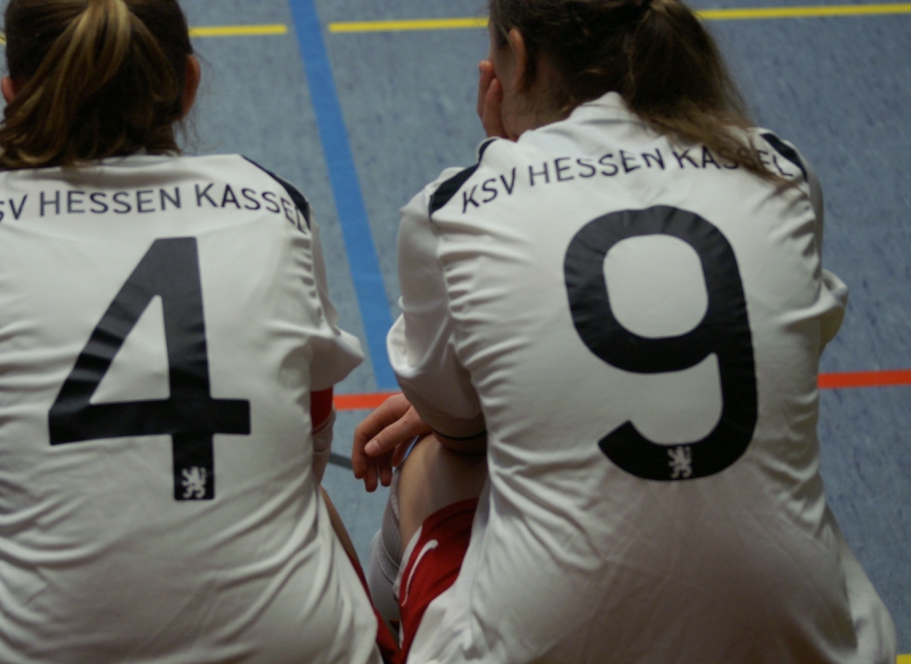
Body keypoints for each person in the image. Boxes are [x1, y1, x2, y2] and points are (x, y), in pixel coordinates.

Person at [352, 0, 898, 661]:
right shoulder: (780, 169)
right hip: (806, 645)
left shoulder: (455, 207)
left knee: (435, 462)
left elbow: (459, 428)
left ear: (517, 57)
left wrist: (511, 154)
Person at [0, 1, 394, 662]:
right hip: (296, 650)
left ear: (13, 93)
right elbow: (309, 442)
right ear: (189, 82)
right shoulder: (275, 203)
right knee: (294, 487)